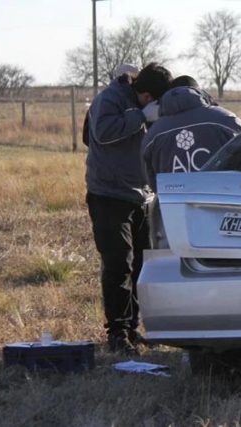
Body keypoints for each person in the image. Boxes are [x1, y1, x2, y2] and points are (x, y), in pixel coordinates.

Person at [84, 62, 172, 355]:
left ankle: (133, 328)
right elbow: (102, 133)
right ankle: (117, 333)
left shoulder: (142, 105)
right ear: (145, 95)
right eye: (155, 101)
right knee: (118, 263)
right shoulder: (109, 99)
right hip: (108, 194)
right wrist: (139, 117)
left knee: (141, 265)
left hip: (140, 195)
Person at [141, 75, 241, 191]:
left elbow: (153, 182)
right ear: (199, 93)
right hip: (221, 201)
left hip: (174, 207)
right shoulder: (223, 119)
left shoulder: (152, 135)